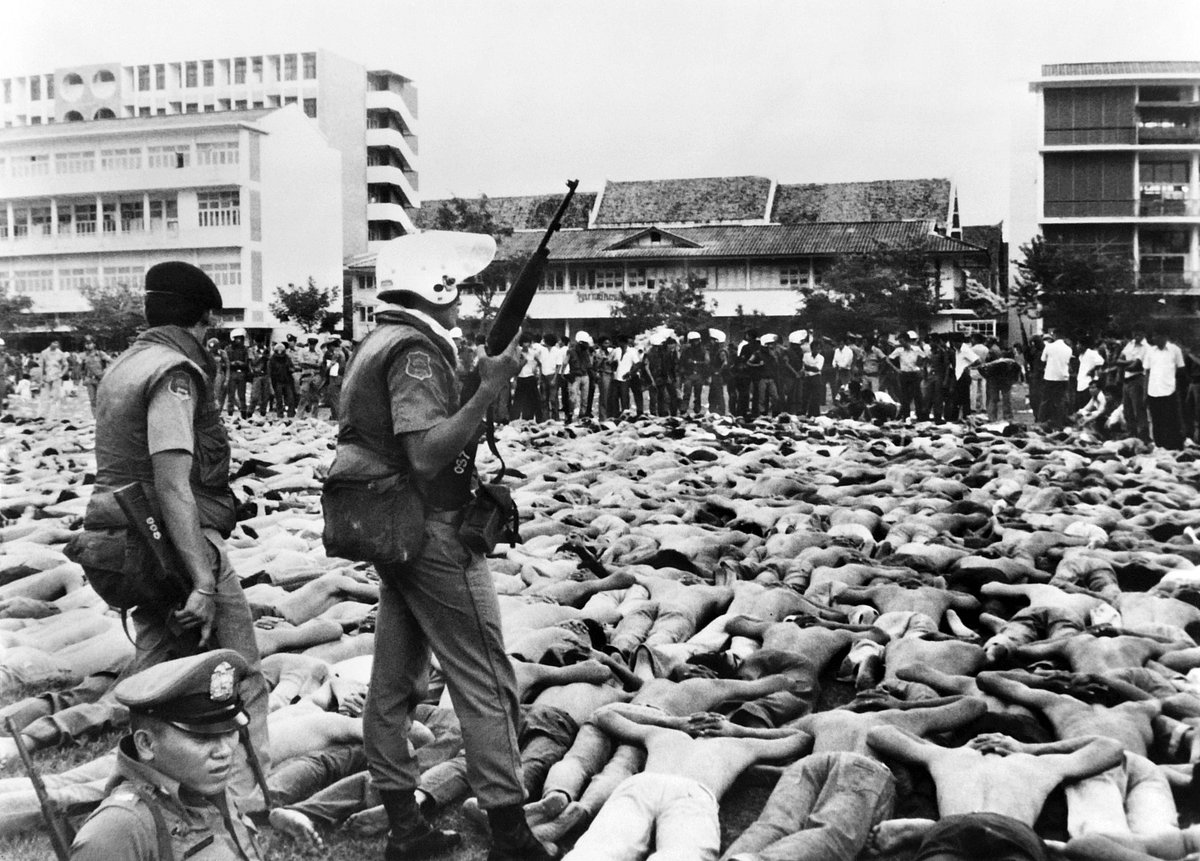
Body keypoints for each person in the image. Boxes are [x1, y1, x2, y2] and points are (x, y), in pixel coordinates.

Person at [328, 231, 550, 860]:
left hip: (392, 527)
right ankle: (510, 833)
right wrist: (485, 390)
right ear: (437, 286)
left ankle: (406, 827)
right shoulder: (417, 353)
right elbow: (426, 454)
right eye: (456, 287)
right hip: (430, 530)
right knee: (484, 674)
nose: (464, 301)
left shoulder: (382, 339)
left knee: (395, 679)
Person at [77, 261, 270, 806]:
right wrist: (204, 582)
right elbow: (172, 483)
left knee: (158, 673)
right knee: (238, 675)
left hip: (122, 542)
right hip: (168, 544)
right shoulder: (174, 373)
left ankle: (129, 795)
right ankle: (243, 809)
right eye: (211, 328)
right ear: (203, 320)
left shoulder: (124, 365)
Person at [69, 650, 264, 860]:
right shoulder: (118, 828)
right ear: (146, 744)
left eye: (229, 732)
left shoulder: (204, 787)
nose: (224, 750)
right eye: (202, 738)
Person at [561, 703, 810, 861]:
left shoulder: (664, 734)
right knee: (684, 854)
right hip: (692, 794)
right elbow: (799, 738)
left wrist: (672, 722)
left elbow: (606, 714)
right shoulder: (739, 744)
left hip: (645, 784)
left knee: (600, 848)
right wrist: (738, 730)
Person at [1143, 330, 1185, 449]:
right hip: (1153, 391)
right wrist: (1145, 393)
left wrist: (1176, 389)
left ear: (1165, 336)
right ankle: (1159, 446)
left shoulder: (1175, 350)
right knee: (1157, 420)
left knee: (1171, 419)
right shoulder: (1150, 351)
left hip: (1169, 391)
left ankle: (1174, 446)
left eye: (1158, 336)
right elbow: (1147, 372)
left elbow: (1180, 371)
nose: (1155, 338)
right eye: (1154, 336)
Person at [1118, 328, 1151, 442]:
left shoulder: (1146, 347)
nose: (1136, 335)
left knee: (1139, 410)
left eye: (1139, 333)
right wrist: (1129, 362)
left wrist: (1126, 364)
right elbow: (1118, 360)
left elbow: (1137, 366)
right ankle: (1132, 434)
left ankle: (1143, 436)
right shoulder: (1130, 344)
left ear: (1144, 333)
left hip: (1137, 379)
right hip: (1127, 380)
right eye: (1135, 333)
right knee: (1128, 410)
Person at [1041, 331, 1074, 430]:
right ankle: (1059, 421)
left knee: (1046, 400)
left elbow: (1043, 359)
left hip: (1050, 376)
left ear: (1054, 336)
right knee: (1060, 400)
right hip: (1063, 377)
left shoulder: (1049, 347)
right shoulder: (1068, 349)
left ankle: (1043, 420)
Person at [223, 328, 250, 418]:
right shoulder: (228, 349)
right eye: (237, 338)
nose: (239, 340)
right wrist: (233, 363)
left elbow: (247, 363)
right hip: (232, 373)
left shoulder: (245, 349)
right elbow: (225, 362)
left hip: (242, 373)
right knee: (231, 395)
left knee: (242, 395)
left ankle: (243, 412)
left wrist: (241, 363)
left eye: (241, 338)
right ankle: (230, 412)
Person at [38, 339, 68, 419]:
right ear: (50, 343)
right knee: (45, 397)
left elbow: (66, 365)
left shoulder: (60, 353)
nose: (56, 344)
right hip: (47, 377)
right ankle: (43, 415)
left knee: (55, 397)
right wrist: (42, 378)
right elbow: (41, 366)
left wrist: (61, 374)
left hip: (56, 376)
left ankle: (54, 416)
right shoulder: (44, 353)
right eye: (54, 342)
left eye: (57, 343)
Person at [79, 337, 108, 415]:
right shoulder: (83, 355)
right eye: (86, 344)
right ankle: (95, 417)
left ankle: (102, 416)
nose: (88, 345)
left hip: (100, 379)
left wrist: (105, 372)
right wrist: (83, 378)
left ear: (94, 344)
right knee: (92, 400)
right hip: (89, 379)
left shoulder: (100, 354)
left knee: (102, 399)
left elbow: (111, 362)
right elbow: (81, 368)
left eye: (90, 343)